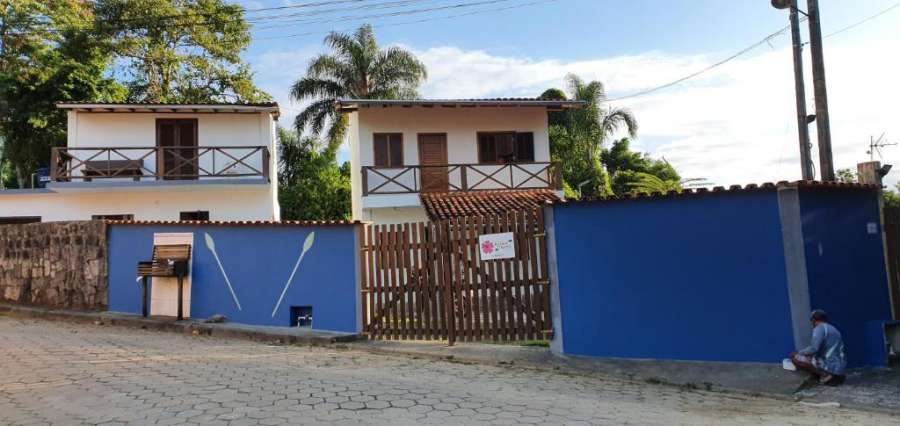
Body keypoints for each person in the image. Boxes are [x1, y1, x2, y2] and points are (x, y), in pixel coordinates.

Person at [790, 309, 847, 385]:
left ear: (814, 320)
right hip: (840, 366)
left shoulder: (819, 328)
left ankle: (825, 375)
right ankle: (823, 375)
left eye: (811, 320)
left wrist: (799, 352)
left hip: (830, 365)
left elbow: (813, 348)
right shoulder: (833, 329)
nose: (811, 322)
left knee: (795, 358)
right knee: (810, 357)